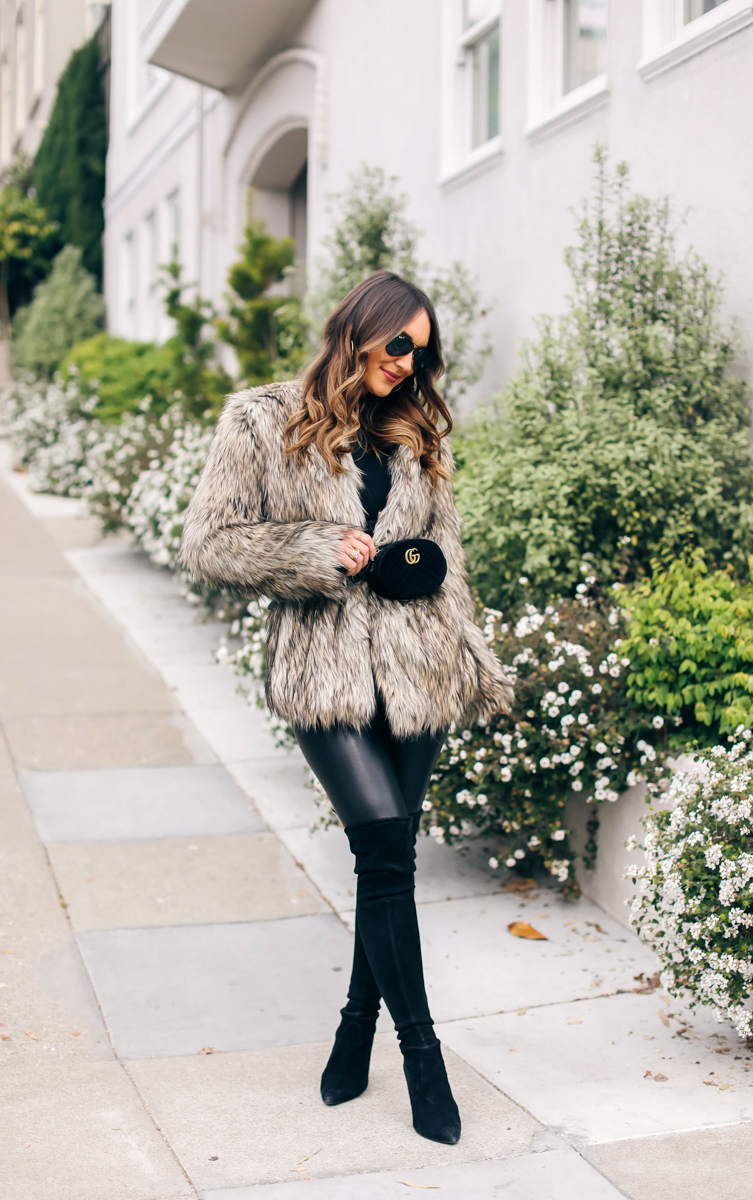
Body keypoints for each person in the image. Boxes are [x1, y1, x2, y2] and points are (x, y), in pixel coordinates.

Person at [179, 270, 512, 1145]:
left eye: (423, 351)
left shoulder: (417, 434)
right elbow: (207, 544)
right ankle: (424, 1058)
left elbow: (449, 559)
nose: (409, 364)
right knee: (383, 851)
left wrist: (468, 653)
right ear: (357, 328)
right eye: (398, 343)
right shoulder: (262, 420)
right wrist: (320, 547)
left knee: (388, 860)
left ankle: (355, 1028)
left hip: (419, 674)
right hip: (323, 676)